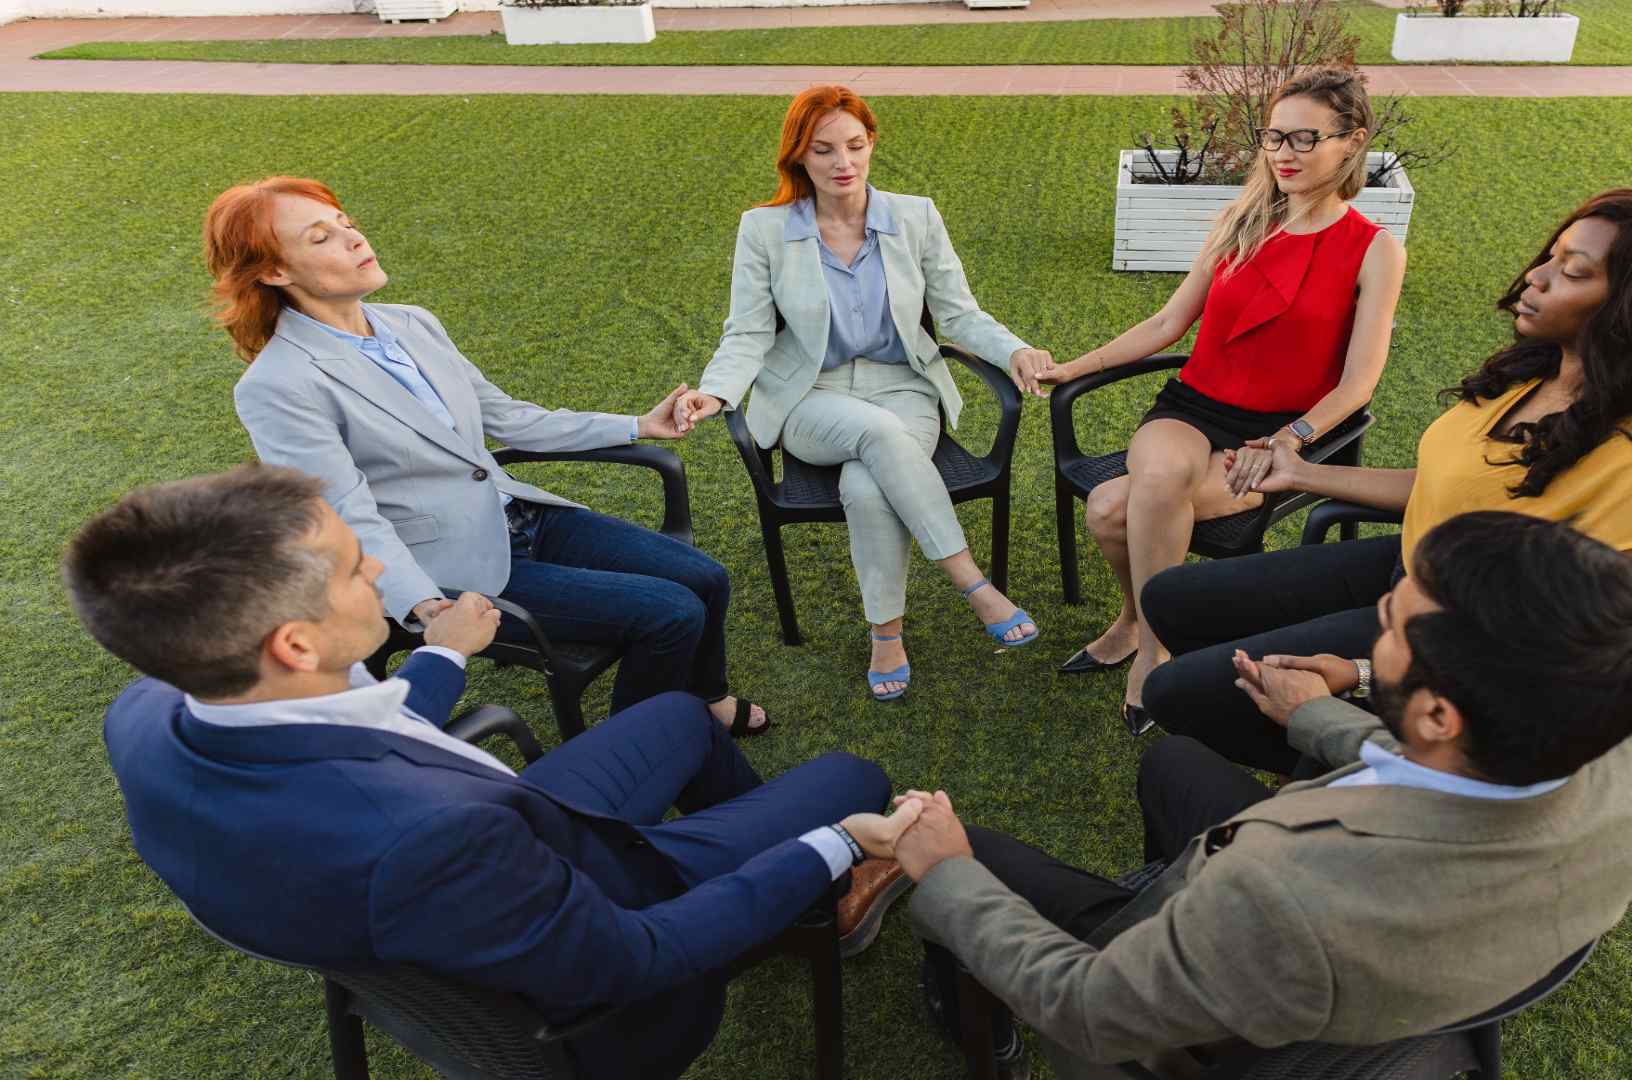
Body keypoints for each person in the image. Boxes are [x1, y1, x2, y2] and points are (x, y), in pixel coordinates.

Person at [67, 465, 926, 1080]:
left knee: (675, 716)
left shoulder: (150, 711)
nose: (378, 566)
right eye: (354, 565)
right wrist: (839, 844)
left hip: (487, 860)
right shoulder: (435, 842)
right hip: (615, 941)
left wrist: (440, 656)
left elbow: (351, 734)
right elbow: (635, 960)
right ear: (293, 643)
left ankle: (786, 898)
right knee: (850, 780)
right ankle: (807, 898)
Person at [896, 512, 1632, 1077]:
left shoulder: (1283, 894)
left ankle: (977, 1020)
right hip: (1409, 971)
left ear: (1441, 716)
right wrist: (1321, 713)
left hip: (1207, 1015)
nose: (1372, 633)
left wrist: (949, 872)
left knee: (955, 856)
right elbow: (1445, 773)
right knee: (1174, 764)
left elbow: (1091, 1011)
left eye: (1389, 628)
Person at [1141, 186, 1632, 769]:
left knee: (1174, 693)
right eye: (1552, 256)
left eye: (1573, 272)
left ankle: (1350, 774)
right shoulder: (1545, 371)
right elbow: (1447, 486)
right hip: (1419, 565)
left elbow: (1557, 660)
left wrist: (1361, 675)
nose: (1535, 277)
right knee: (1171, 599)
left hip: (1465, 639)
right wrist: (1301, 473)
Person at [209, 176, 769, 736]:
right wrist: (424, 604)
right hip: (448, 567)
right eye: (321, 237)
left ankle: (707, 697)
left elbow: (505, 415)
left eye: (346, 224)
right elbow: (344, 516)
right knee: (671, 611)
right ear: (274, 271)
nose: (354, 239)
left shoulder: (410, 322)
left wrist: (638, 425)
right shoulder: (280, 384)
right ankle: (635, 748)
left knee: (705, 578)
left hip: (520, 516)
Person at [1033, 66, 1405, 736]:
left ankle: (1138, 631)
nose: (1285, 153)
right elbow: (1167, 323)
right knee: (1159, 480)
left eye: (1305, 138)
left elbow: (1359, 383)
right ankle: (1153, 642)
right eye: (1275, 137)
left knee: (1111, 506)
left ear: (1352, 142)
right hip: (1190, 407)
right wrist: (1074, 367)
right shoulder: (1240, 221)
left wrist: (1292, 438)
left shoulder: (1375, 249)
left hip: (1273, 432)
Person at [673, 85, 1051, 701]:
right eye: (823, 150)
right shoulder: (764, 229)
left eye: (854, 145)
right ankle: (973, 584)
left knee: (868, 484)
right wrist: (715, 394)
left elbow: (958, 313)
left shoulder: (915, 216)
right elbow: (747, 331)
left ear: (871, 142)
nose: (842, 162)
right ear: (800, 156)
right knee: (877, 435)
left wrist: (1014, 350)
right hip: (808, 397)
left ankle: (886, 635)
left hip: (904, 389)